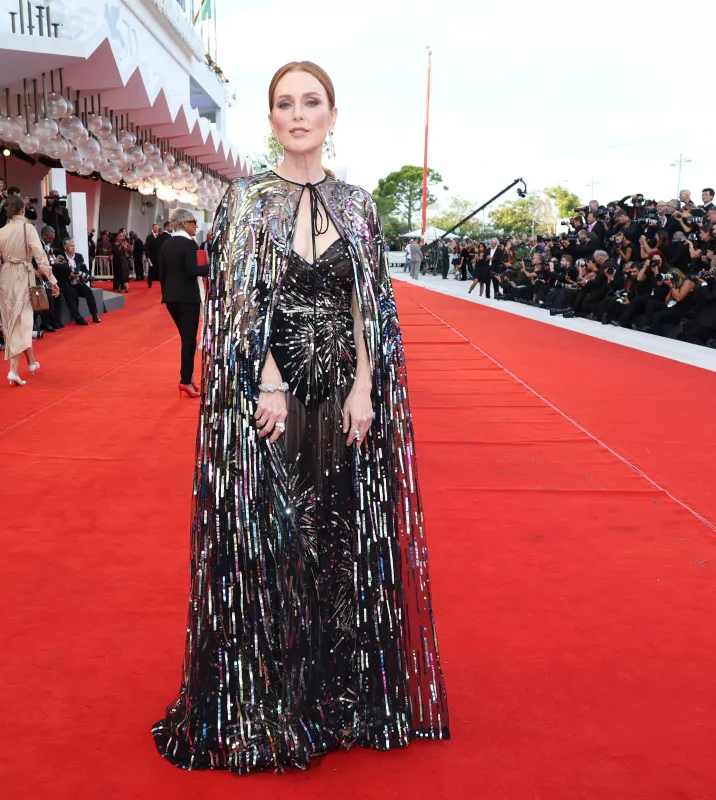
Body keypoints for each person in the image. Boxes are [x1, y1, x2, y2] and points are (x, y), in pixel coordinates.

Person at [152, 60, 449, 774]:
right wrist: (266, 379)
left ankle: (336, 696)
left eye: (311, 102)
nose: (297, 114)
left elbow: (368, 306)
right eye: (284, 104)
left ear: (331, 116)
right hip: (272, 399)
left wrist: (366, 387)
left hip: (342, 400)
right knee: (275, 542)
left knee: (339, 540)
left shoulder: (359, 205)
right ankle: (271, 699)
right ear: (271, 119)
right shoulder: (247, 198)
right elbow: (237, 301)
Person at [0, 194, 58, 386]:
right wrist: (52, 280)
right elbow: (40, 256)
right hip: (23, 274)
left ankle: (30, 362)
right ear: (23, 210)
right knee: (22, 322)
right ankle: (13, 370)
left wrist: (0, 267)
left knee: (11, 320)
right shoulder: (29, 228)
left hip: (6, 275)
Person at [158, 208, 208, 397]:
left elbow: (162, 274)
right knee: (188, 340)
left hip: (171, 298)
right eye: (194, 222)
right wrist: (211, 267)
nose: (196, 225)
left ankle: (188, 377)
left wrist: (166, 294)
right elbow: (191, 270)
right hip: (188, 298)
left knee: (187, 339)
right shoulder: (189, 244)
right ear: (184, 223)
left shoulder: (166, 244)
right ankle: (185, 380)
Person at [51, 238, 101, 325]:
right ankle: (77, 317)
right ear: (65, 247)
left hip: (78, 282)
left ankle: (95, 314)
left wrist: (84, 277)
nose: (73, 248)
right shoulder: (60, 257)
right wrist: (69, 276)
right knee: (71, 293)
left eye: (74, 246)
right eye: (71, 246)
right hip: (66, 283)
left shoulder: (79, 256)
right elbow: (58, 273)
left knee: (88, 291)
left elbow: (85, 270)